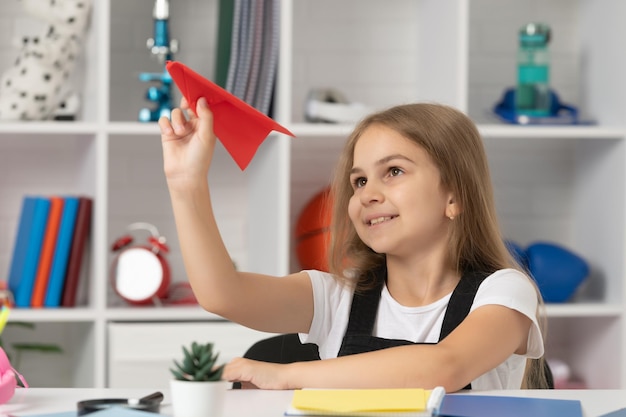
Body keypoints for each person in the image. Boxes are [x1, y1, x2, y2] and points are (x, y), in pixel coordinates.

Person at [159, 97, 550, 392]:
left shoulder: (504, 292)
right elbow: (222, 295)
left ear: (454, 196)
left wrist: (287, 376)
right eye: (359, 181)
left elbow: (445, 367)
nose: (367, 194)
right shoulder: (337, 298)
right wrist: (185, 183)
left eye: (393, 171)